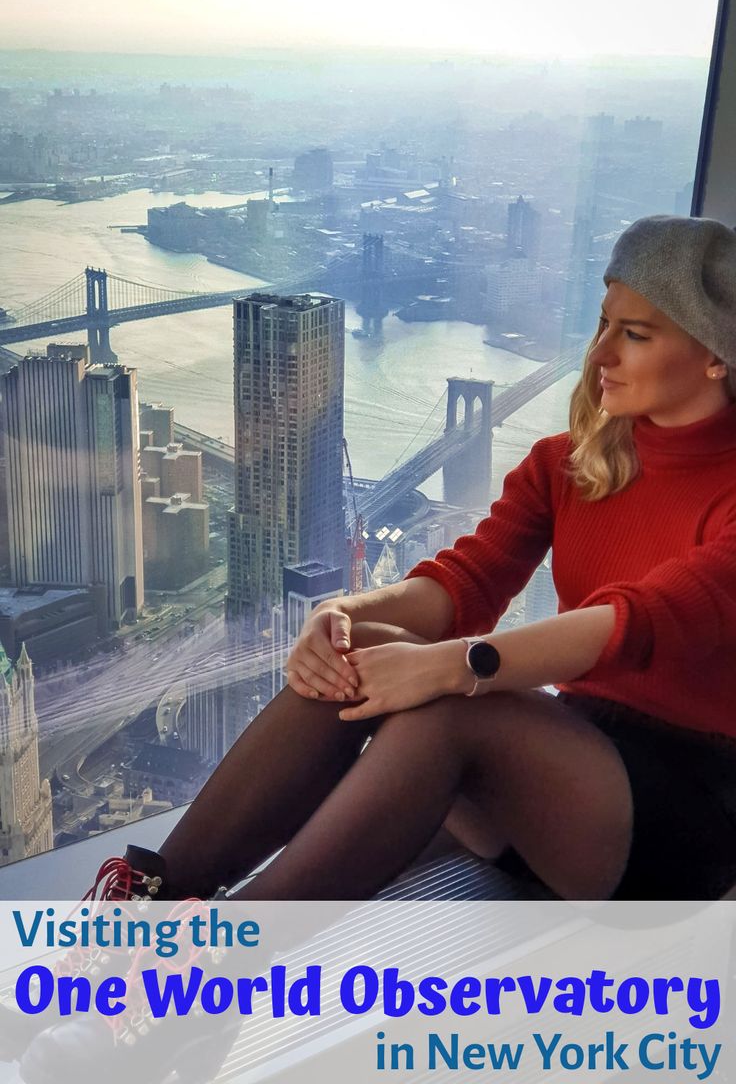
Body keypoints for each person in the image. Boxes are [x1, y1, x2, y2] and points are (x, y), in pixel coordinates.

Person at [11, 213, 736, 1082]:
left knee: (446, 717)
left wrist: (451, 666)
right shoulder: (568, 461)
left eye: (635, 332)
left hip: (672, 820)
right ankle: (137, 924)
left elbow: (640, 618)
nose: (599, 354)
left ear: (714, 354)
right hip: (558, 764)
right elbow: (458, 585)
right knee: (363, 654)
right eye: (601, 323)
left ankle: (205, 991)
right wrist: (344, 613)